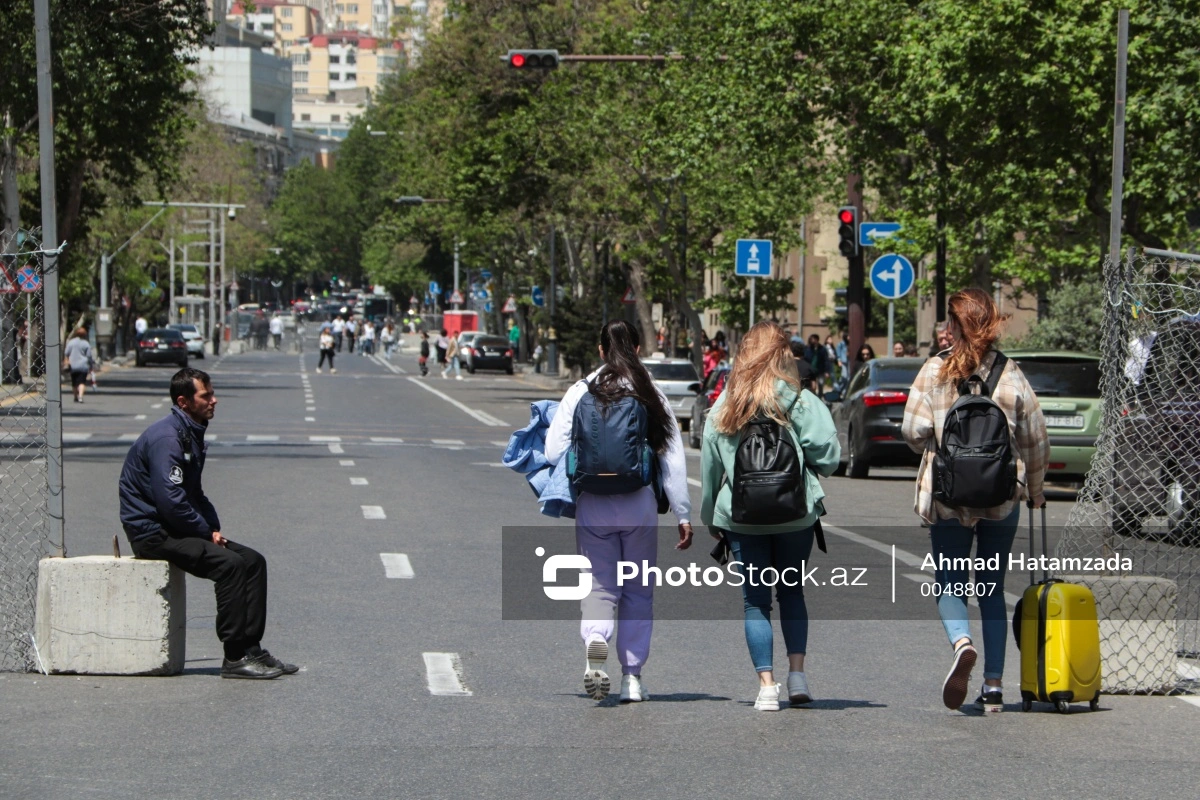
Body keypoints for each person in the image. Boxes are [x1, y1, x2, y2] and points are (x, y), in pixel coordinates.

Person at [901, 287, 1048, 712]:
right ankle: (995, 686)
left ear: (954, 326)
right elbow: (1035, 439)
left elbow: (912, 434)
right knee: (991, 587)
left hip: (948, 497)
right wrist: (1035, 491)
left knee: (950, 581)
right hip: (1001, 497)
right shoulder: (1012, 373)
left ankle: (962, 642)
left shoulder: (935, 371)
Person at [544, 320, 693, 703]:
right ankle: (632, 677)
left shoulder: (581, 390)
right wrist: (682, 513)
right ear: (638, 349)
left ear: (599, 350)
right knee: (638, 591)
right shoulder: (648, 390)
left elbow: (552, 451)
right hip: (639, 503)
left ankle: (596, 638)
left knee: (599, 585)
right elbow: (672, 457)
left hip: (593, 502)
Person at [118, 368, 297, 680]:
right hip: (152, 532)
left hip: (174, 527)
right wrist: (203, 531)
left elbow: (194, 493)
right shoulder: (168, 438)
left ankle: (251, 648)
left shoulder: (189, 433)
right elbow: (171, 502)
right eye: (206, 395)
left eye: (212, 393)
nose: (215, 400)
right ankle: (234, 657)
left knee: (253, 561)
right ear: (185, 402)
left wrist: (212, 527)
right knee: (230, 565)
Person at [700, 321, 840, 711]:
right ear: (783, 355)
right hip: (795, 514)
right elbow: (828, 460)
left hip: (742, 516)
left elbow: (710, 468)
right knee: (792, 591)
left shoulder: (727, 402)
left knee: (755, 602)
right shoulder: (798, 399)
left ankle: (766, 686)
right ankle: (798, 676)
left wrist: (713, 517)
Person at [63, 327, 95, 404]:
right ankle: (80, 396)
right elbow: (89, 356)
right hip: (83, 365)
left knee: (74, 382)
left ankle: (75, 397)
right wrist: (91, 365)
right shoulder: (86, 343)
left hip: (73, 365)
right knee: (82, 382)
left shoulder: (71, 342)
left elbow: (66, 353)